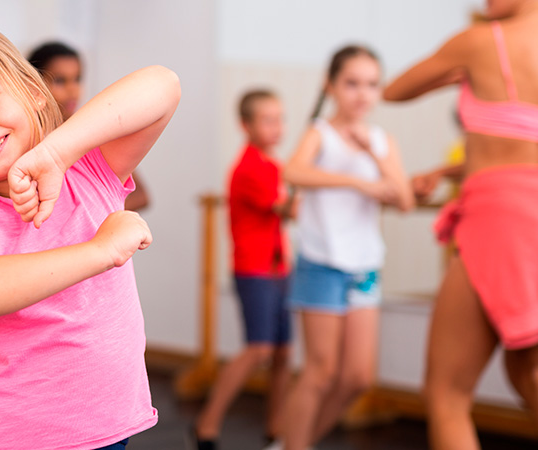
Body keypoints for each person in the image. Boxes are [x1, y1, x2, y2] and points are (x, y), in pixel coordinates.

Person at [0, 21, 179, 449]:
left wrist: (55, 152)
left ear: (33, 91)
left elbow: (163, 86)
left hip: (107, 430)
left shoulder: (89, 171)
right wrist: (99, 251)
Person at [383, 0, 538, 448]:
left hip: (499, 218)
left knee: (446, 393)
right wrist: (448, 172)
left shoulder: (479, 42)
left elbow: (395, 89)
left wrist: (458, 72)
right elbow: (517, 139)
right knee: (524, 370)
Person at [276, 45, 415, 450]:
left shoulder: (382, 139)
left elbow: (404, 201)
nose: (362, 94)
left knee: (358, 379)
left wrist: (371, 153)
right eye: (352, 83)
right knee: (320, 372)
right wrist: (358, 182)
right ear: (331, 85)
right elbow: (293, 170)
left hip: (365, 265)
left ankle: (292, 445)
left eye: (372, 84)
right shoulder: (319, 132)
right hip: (321, 263)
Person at [192, 90, 294, 450]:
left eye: (279, 118)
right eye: (267, 120)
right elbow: (288, 209)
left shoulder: (273, 163)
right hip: (255, 270)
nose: (276, 127)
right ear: (245, 125)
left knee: (283, 352)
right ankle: (208, 422)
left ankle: (276, 429)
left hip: (280, 268)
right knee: (259, 350)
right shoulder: (250, 167)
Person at [28, 41, 151, 212]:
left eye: (77, 79)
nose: (72, 90)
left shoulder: (94, 132)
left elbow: (140, 196)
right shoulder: (27, 139)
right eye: (60, 81)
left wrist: (92, 218)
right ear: (34, 84)